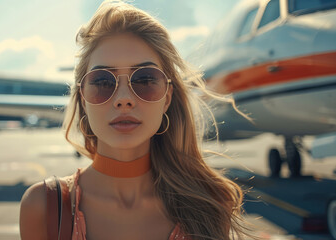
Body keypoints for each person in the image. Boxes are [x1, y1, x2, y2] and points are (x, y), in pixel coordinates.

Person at [20, 1, 251, 239]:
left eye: (145, 80)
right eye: (102, 82)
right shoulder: (45, 207)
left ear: (167, 98)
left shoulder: (212, 205)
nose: (123, 99)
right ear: (83, 99)